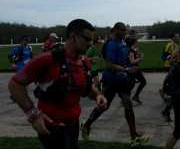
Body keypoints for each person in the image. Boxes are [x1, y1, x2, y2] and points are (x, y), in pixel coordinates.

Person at [7, 19, 107, 149]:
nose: (91, 44)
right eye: (87, 39)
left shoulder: (84, 62)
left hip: (73, 124)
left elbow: (85, 87)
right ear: (73, 36)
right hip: (50, 126)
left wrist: (98, 96)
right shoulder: (46, 59)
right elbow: (14, 84)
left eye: (92, 40)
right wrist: (32, 113)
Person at [81, 22, 150, 147]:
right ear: (116, 30)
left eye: (126, 30)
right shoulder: (112, 44)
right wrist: (127, 70)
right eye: (123, 30)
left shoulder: (122, 44)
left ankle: (134, 137)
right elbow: (110, 65)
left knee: (128, 103)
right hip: (111, 79)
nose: (125, 32)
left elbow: (123, 62)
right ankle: (86, 125)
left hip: (121, 79)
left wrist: (132, 64)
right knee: (104, 106)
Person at [159, 33, 180, 101]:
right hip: (169, 65)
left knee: (172, 80)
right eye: (177, 36)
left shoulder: (175, 45)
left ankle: (165, 91)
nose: (179, 37)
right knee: (171, 80)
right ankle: (164, 91)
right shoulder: (170, 44)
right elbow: (166, 55)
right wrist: (171, 58)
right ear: (173, 38)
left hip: (174, 65)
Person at [127, 38, 146, 104]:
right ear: (134, 43)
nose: (138, 43)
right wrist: (140, 59)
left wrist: (141, 57)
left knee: (132, 84)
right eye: (137, 42)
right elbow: (132, 61)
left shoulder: (137, 49)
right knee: (143, 82)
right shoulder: (131, 51)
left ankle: (127, 96)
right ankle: (133, 96)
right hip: (131, 69)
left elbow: (140, 59)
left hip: (135, 69)